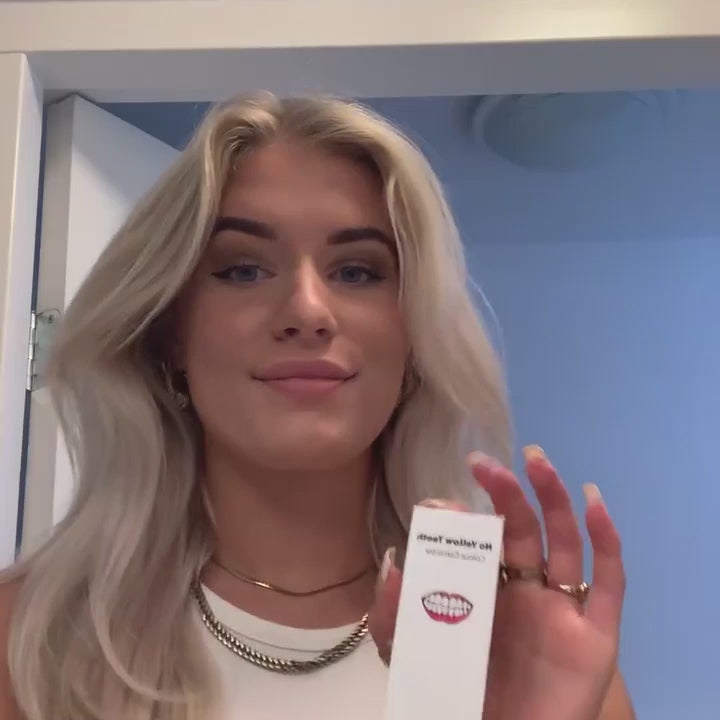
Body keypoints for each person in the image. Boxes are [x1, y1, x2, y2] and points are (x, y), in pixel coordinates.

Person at [0, 93, 634, 720]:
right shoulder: (28, 640)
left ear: (414, 339)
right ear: (172, 333)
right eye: (243, 270)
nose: (307, 311)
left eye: (357, 272)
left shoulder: (522, 654)